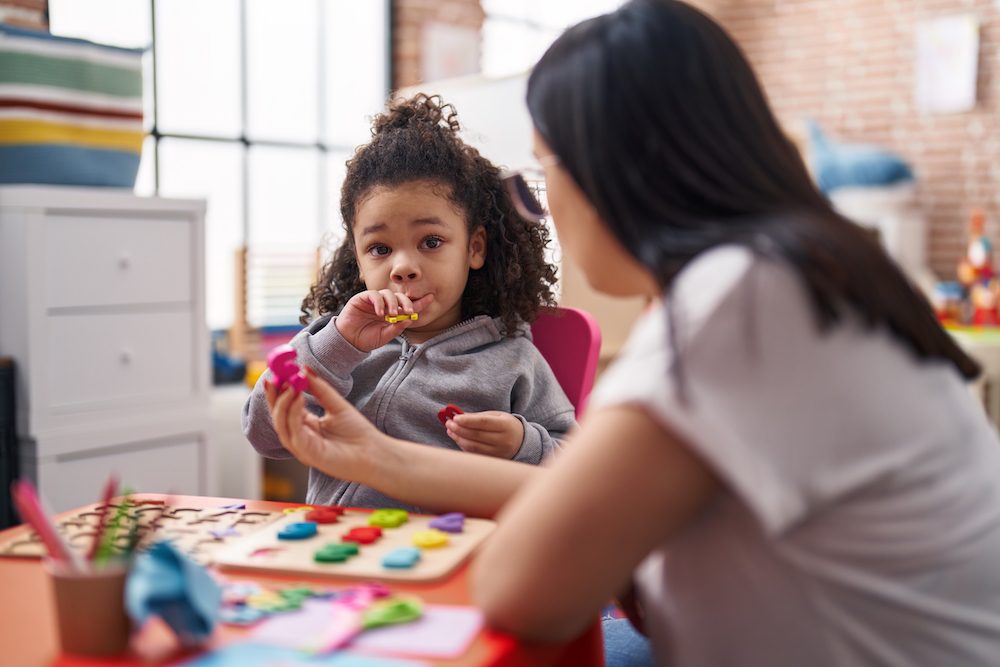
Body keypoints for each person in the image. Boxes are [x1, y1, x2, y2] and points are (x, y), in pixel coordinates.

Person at [264, 1, 1000, 665]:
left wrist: (393, 461)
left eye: (542, 172)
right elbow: (592, 511)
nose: (542, 203)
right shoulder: (803, 267)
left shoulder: (741, 300)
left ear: (611, 170)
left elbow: (525, 585)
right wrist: (383, 457)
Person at [243, 93, 575, 511]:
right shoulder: (335, 342)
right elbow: (263, 434)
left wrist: (523, 443)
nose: (403, 266)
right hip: (338, 549)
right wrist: (339, 346)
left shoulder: (513, 359)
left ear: (474, 248)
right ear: (358, 259)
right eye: (380, 249)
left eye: (431, 242)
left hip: (444, 554)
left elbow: (575, 470)